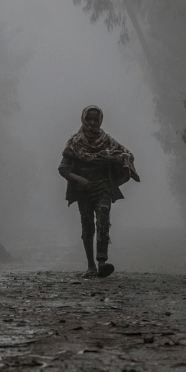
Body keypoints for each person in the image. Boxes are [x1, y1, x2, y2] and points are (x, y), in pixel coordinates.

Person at [58, 105, 139, 278]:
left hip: (103, 188)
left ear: (101, 120)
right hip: (83, 190)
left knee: (103, 218)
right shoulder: (74, 142)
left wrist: (112, 158)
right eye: (89, 119)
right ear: (84, 119)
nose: (93, 122)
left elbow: (127, 155)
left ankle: (102, 262)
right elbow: (63, 168)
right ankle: (90, 266)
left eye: (96, 119)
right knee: (87, 226)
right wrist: (80, 179)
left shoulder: (107, 140)